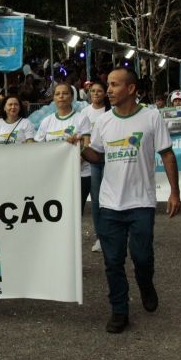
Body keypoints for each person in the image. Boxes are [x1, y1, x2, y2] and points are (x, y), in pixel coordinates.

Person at [80, 68, 181, 334]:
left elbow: (168, 155)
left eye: (114, 85)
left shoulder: (151, 117)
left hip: (141, 203)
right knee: (112, 261)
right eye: (108, 85)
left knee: (142, 257)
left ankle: (145, 284)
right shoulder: (103, 121)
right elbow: (99, 155)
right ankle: (119, 310)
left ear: (132, 89)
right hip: (110, 203)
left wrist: (174, 192)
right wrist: (79, 149)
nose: (109, 90)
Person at [36, 83, 92, 210]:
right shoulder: (46, 121)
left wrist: (70, 166)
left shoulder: (81, 119)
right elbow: (39, 148)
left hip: (80, 175)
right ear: (54, 98)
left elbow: (86, 145)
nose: (61, 96)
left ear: (72, 97)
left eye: (65, 93)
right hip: (54, 175)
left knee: (75, 214)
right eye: (57, 94)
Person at [81, 81, 111, 253]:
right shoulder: (84, 112)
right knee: (96, 199)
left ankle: (115, 232)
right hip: (93, 160)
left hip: (110, 158)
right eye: (93, 91)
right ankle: (100, 236)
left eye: (100, 91)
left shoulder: (110, 111)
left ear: (105, 94)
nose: (96, 93)